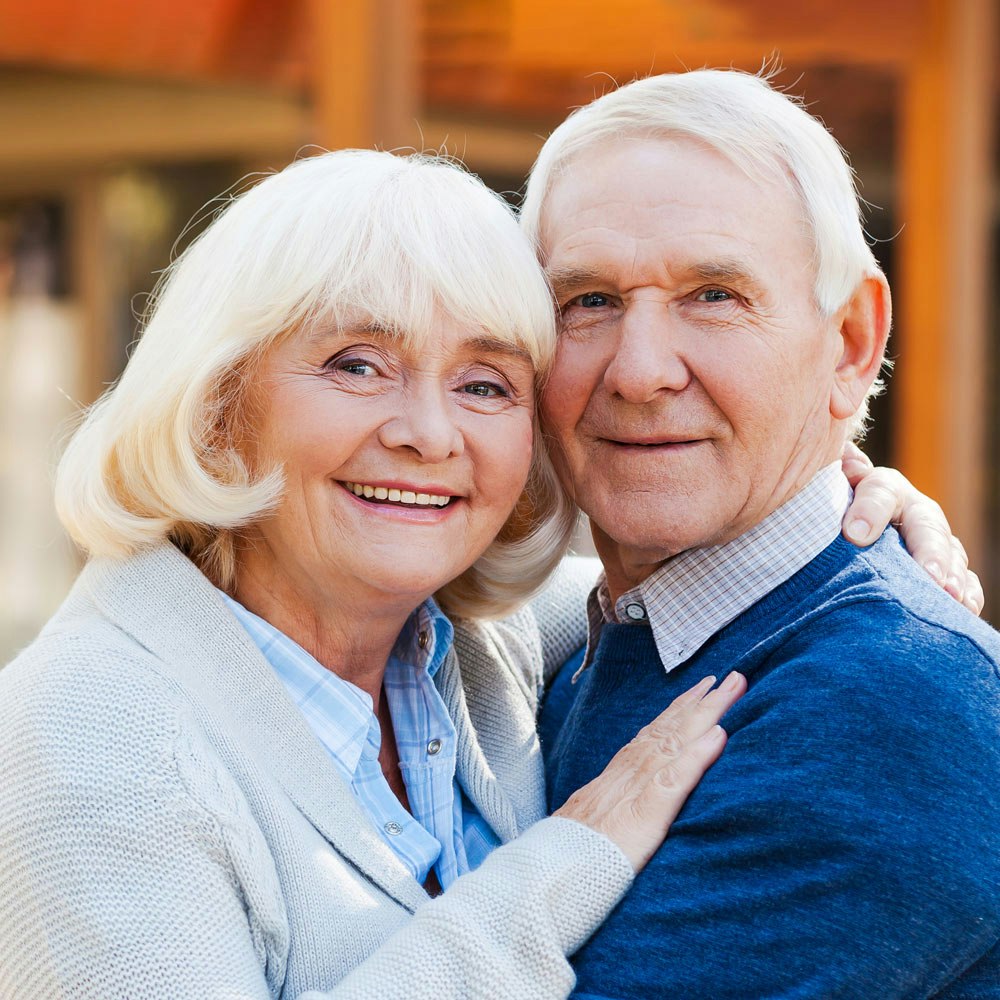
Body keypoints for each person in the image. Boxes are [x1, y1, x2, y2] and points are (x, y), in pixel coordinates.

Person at [0, 148, 972, 999]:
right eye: (355, 364)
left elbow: (701, 584)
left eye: (483, 385)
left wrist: (841, 496)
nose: (428, 435)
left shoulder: (477, 644)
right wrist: (562, 868)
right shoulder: (90, 738)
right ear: (214, 404)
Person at [529, 70, 1000, 996]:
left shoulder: (883, 698)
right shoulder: (572, 649)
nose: (640, 370)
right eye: (588, 301)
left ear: (852, 342)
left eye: (713, 294)